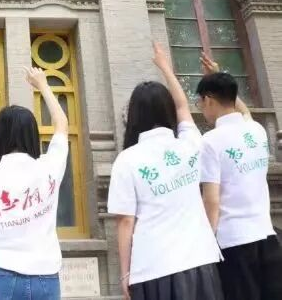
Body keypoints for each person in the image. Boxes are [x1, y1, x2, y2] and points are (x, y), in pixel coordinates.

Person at [107, 43, 223, 300]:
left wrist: (125, 274)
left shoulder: (127, 160)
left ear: (133, 116)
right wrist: (166, 69)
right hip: (199, 261)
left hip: (153, 268)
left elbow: (125, 222)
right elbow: (182, 108)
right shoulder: (190, 144)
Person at [0, 67, 69, 300]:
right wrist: (43, 85)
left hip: (5, 277)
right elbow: (62, 126)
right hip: (47, 278)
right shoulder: (49, 167)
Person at [198, 53, 282, 300]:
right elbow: (243, 111)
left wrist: (206, 241)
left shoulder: (210, 141)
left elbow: (211, 200)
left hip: (233, 242)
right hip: (266, 235)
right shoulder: (256, 130)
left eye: (200, 103)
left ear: (209, 100)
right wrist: (220, 75)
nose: (201, 109)